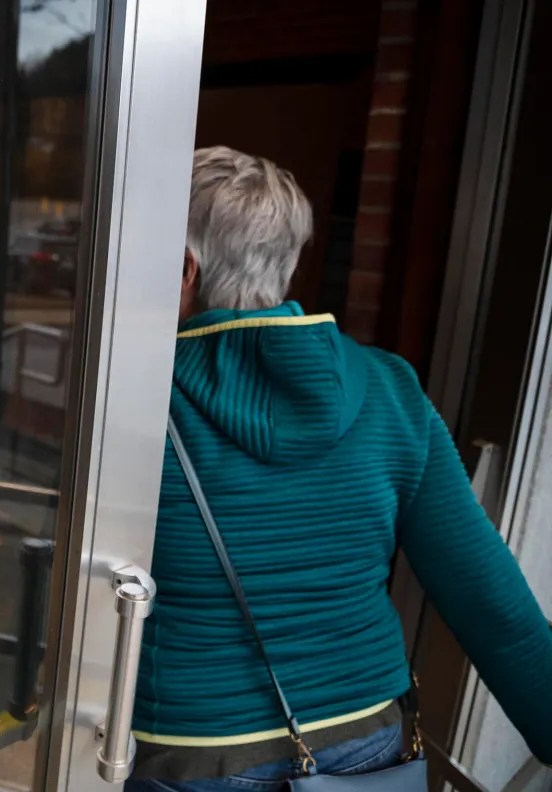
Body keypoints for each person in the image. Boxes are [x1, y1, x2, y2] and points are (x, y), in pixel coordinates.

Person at [127, 146, 552, 790]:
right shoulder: (390, 390)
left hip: (195, 758)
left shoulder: (132, 405)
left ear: (183, 269)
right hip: (371, 749)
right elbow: (495, 609)